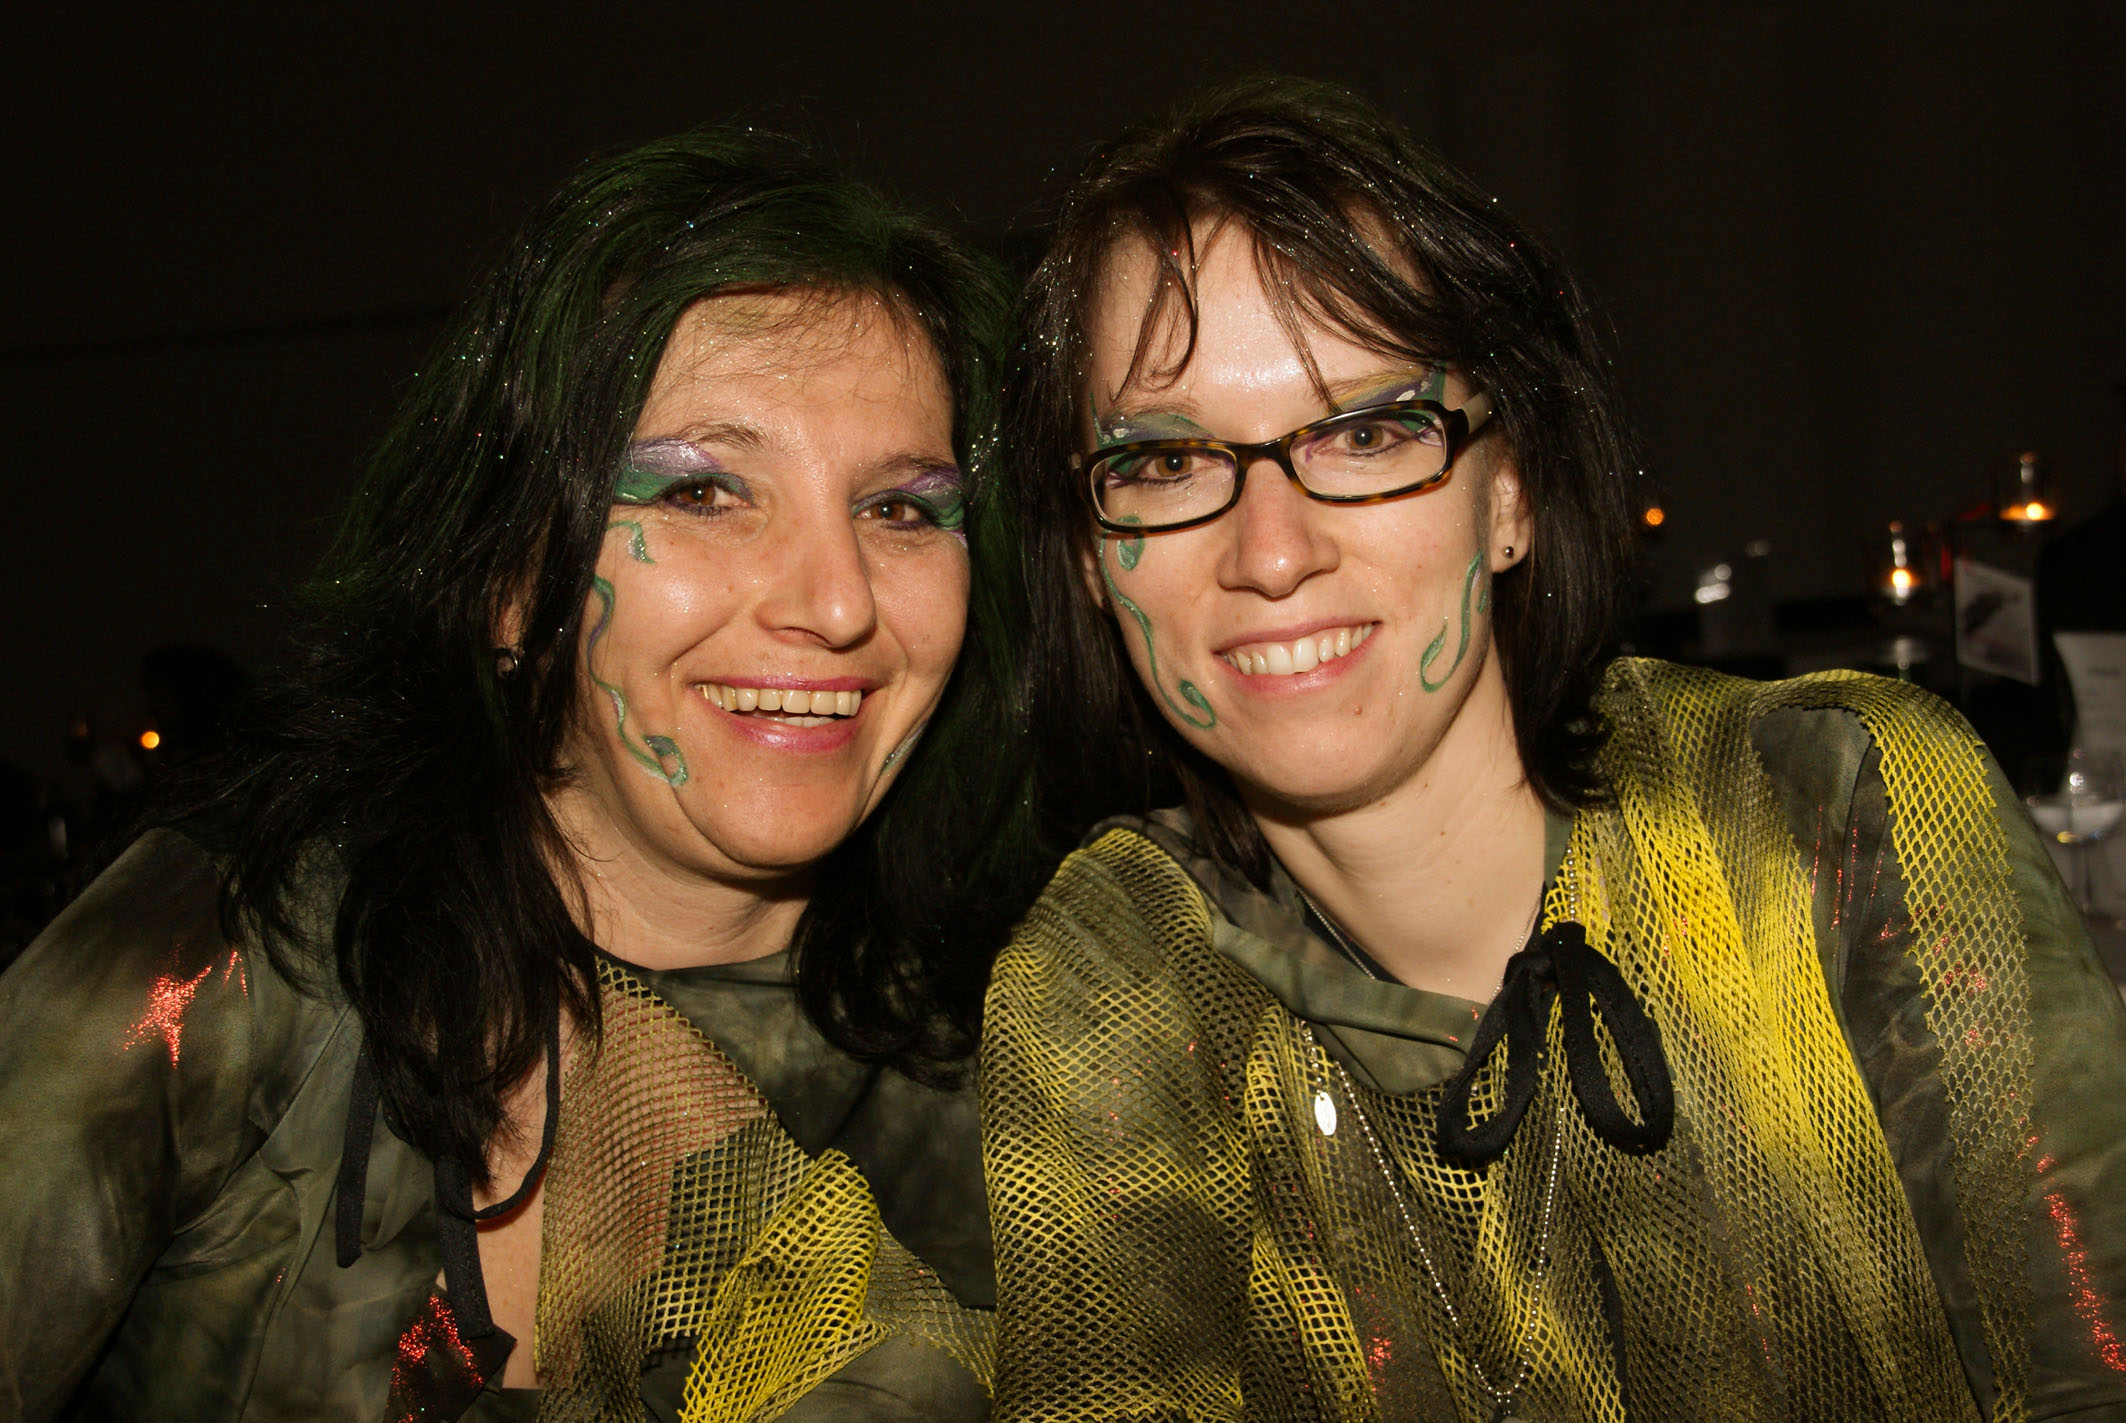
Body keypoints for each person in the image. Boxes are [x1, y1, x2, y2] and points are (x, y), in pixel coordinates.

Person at [982, 78, 2126, 1421]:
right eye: (1165, 463)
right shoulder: (1117, 977)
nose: (1272, 553)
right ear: (1090, 556)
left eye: (1368, 431)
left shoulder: (1838, 807)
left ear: (1511, 493)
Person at [0, 130, 1028, 1421]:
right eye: (703, 493)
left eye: (900, 509)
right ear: (504, 576)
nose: (836, 603)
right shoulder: (234, 973)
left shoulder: (1013, 1075)